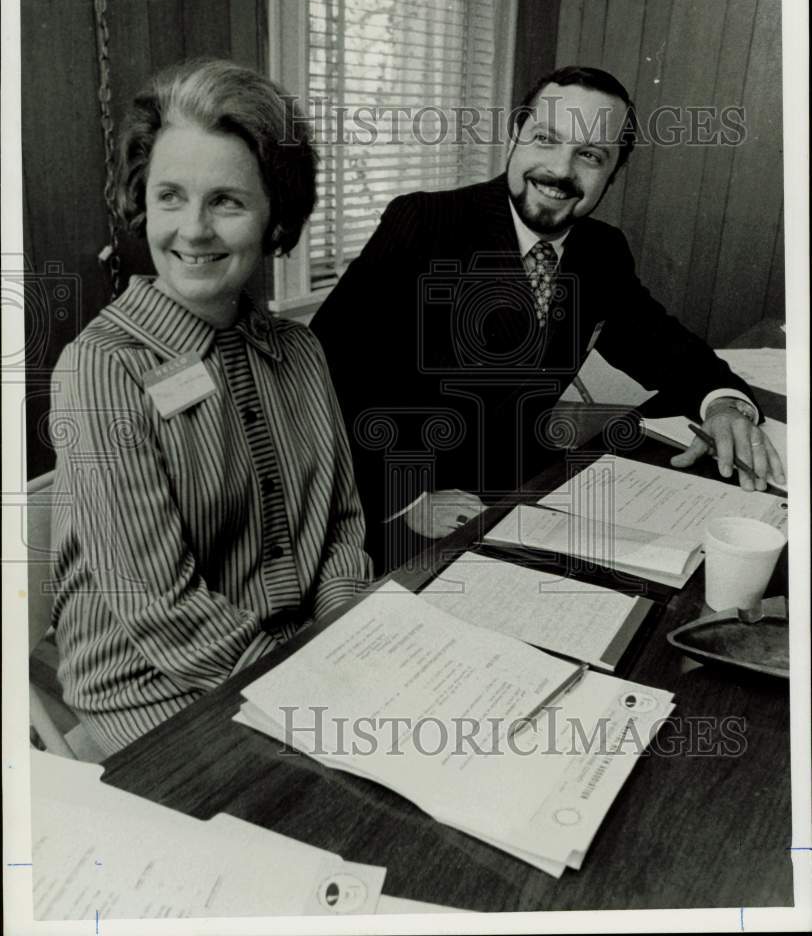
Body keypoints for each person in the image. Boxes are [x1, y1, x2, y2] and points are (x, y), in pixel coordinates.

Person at [310, 66, 785, 569]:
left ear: (612, 172)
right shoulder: (424, 223)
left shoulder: (601, 250)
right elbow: (322, 379)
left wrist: (725, 405)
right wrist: (410, 497)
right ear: (516, 135)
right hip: (404, 514)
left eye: (590, 155)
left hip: (529, 496)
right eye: (546, 139)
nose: (561, 171)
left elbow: (665, 347)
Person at [49, 59, 372, 755]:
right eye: (170, 197)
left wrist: (345, 633)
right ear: (143, 203)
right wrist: (314, 691)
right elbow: (162, 613)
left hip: (298, 661)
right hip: (155, 688)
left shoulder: (300, 353)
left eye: (226, 201)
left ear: (274, 217)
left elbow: (343, 526)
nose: (192, 231)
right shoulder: (102, 369)